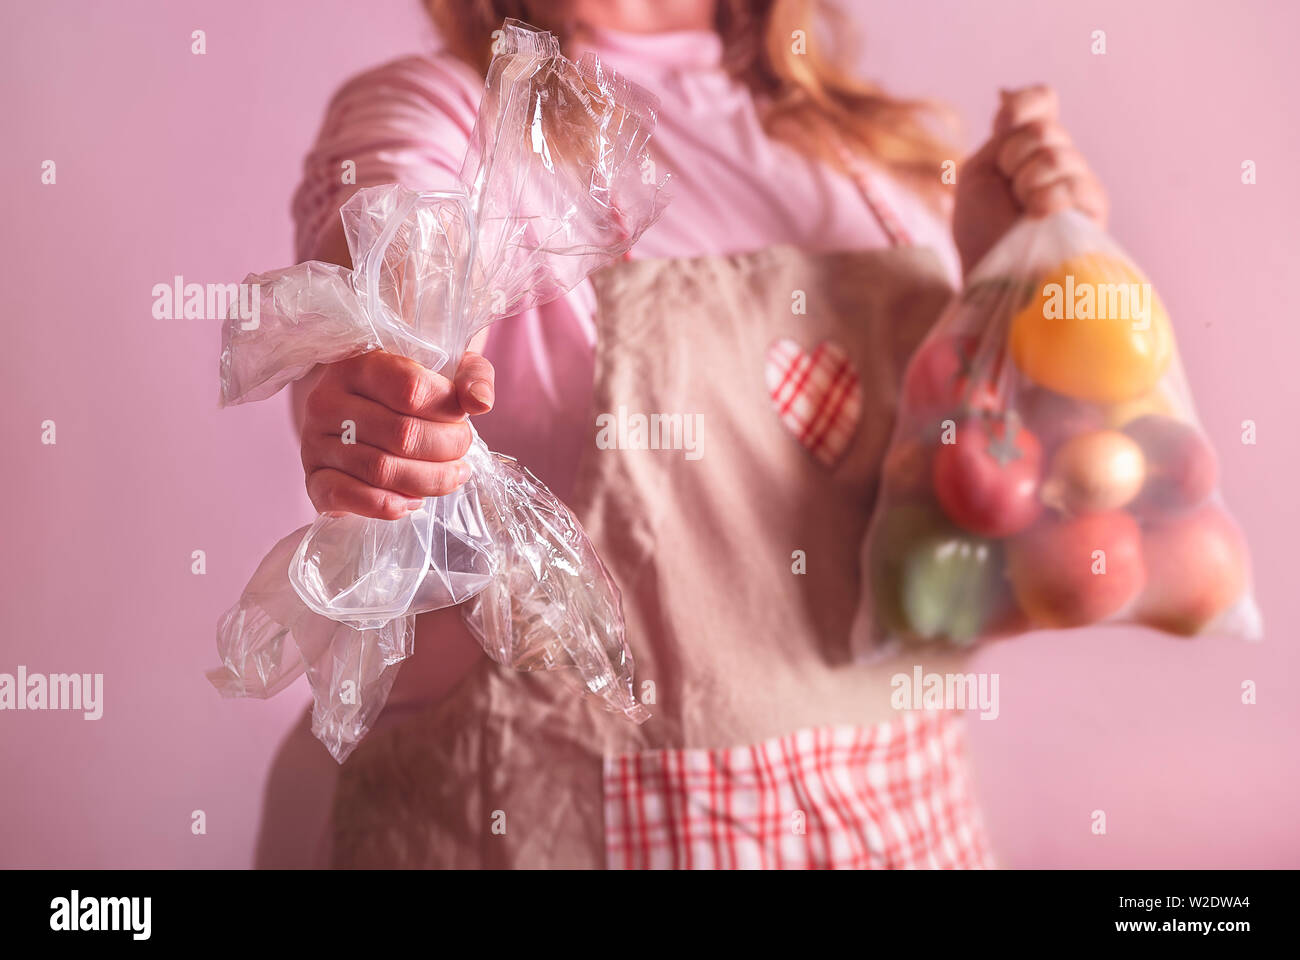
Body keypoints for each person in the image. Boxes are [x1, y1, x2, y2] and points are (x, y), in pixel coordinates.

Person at [260, 0, 1108, 869]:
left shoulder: (878, 162)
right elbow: (396, 251)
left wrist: (1022, 288)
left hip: (906, 829)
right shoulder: (449, 109)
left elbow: (994, 561)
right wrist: (394, 363)